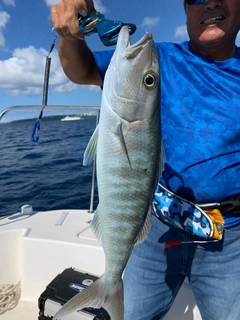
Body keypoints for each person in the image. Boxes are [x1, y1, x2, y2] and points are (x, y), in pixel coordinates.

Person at [51, 0, 240, 319]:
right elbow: (80, 70)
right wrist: (71, 35)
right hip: (154, 225)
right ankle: (109, 286)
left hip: (229, 237)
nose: (210, 3)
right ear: (185, 8)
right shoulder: (161, 58)